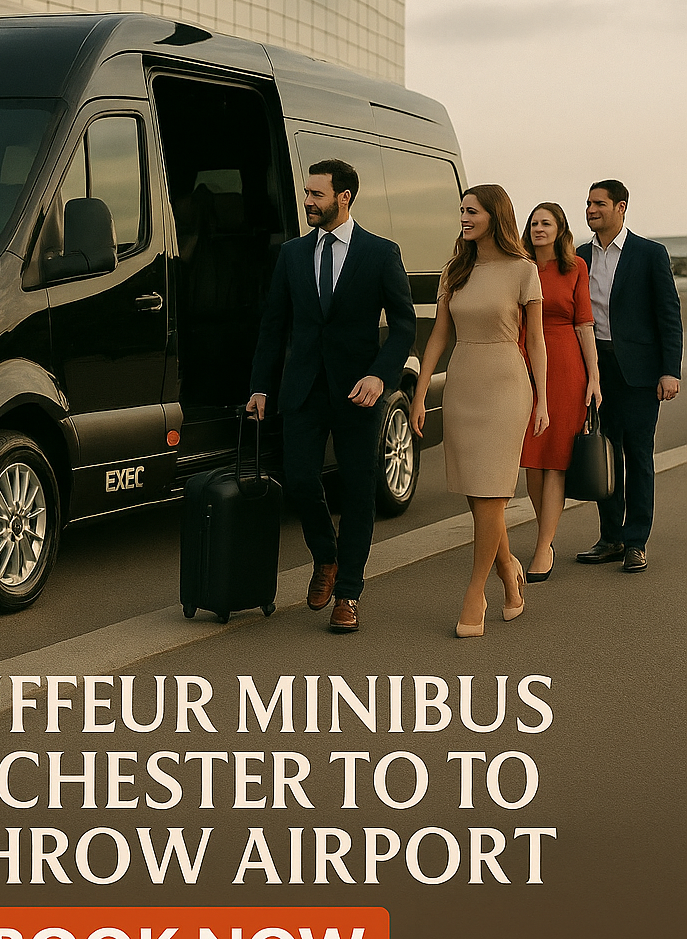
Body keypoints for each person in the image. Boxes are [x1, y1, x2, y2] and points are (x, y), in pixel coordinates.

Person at [246, 159, 416, 634]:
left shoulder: (381, 254)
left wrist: (381, 376)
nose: (307, 202)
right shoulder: (293, 255)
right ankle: (326, 556)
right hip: (301, 388)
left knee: (359, 491)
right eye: (306, 193)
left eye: (316, 195)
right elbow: (273, 324)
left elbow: (404, 325)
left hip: (358, 391)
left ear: (344, 197)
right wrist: (261, 384)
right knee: (299, 480)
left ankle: (349, 595)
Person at [410, 185, 548, 637]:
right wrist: (420, 392)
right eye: (462, 211)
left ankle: (475, 592)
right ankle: (509, 572)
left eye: (472, 211)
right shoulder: (455, 269)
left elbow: (536, 342)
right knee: (479, 496)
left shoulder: (524, 270)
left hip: (507, 383)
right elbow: (438, 336)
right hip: (464, 382)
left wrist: (542, 398)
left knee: (492, 493)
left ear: (494, 215)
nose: (464, 217)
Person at [575, 180, 682, 573]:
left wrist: (670, 370)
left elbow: (669, 316)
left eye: (599, 203)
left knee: (637, 456)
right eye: (588, 203)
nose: (591, 209)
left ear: (621, 207)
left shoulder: (650, 253)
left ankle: (636, 540)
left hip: (639, 373)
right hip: (595, 370)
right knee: (604, 454)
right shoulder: (579, 255)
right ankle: (611, 537)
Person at [519, 203, 601, 580]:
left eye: (545, 223)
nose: (538, 228)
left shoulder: (575, 268)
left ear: (560, 229)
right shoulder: (519, 265)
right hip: (522, 364)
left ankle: (542, 545)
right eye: (534, 223)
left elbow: (584, 324)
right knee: (532, 459)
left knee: (555, 458)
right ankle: (544, 533)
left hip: (566, 367)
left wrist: (595, 378)